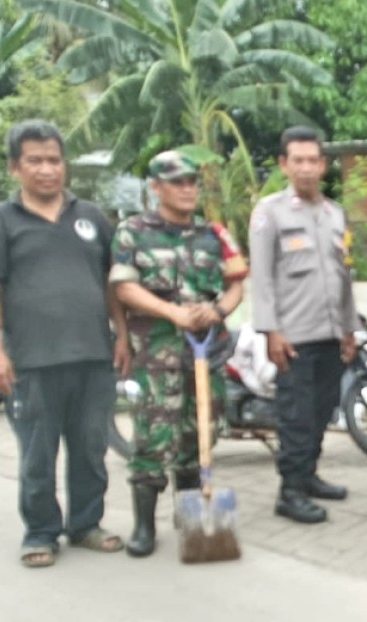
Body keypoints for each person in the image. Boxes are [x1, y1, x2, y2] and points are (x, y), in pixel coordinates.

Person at [0, 119, 130, 568]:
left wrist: (121, 337)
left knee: (91, 448)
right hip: (32, 362)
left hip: (93, 356)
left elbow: (110, 283)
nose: (47, 170)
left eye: (54, 160)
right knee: (38, 453)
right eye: (35, 161)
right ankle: (40, 531)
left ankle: (85, 524)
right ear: (14, 168)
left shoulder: (90, 217)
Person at [109, 150, 247, 557]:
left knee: (198, 434)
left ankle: (189, 517)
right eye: (176, 182)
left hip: (206, 355)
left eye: (192, 181)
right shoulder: (132, 231)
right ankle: (143, 528)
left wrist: (218, 310)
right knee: (154, 439)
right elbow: (123, 287)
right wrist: (173, 313)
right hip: (157, 355)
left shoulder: (213, 234)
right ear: (155, 188)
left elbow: (237, 283)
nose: (187, 189)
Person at [249, 126, 358, 525]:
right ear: (284, 164)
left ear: (324, 165)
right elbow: (260, 278)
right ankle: (289, 492)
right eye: (298, 160)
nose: (307, 168)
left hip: (330, 334)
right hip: (292, 337)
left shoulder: (334, 214)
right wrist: (270, 331)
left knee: (322, 410)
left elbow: (344, 276)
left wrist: (349, 329)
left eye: (314, 160)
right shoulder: (269, 213)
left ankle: (308, 475)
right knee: (295, 416)